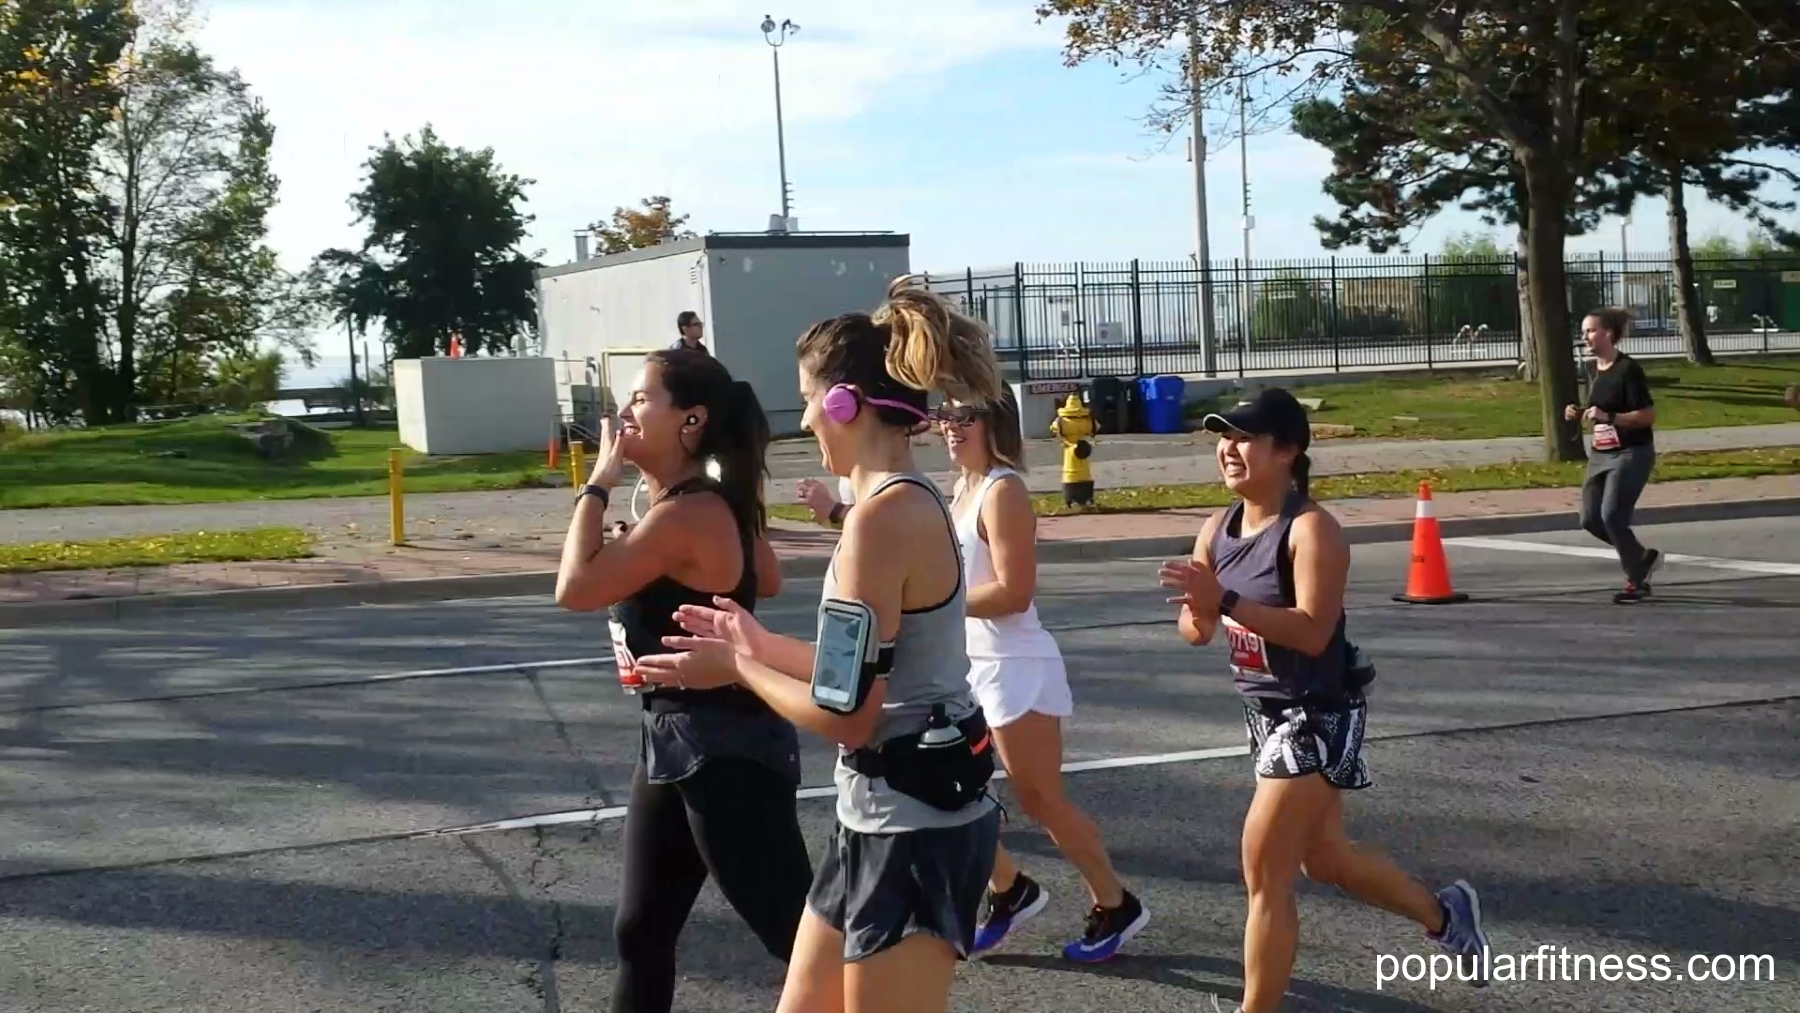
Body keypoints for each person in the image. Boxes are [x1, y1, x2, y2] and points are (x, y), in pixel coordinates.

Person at [634, 275, 1007, 1013]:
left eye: (809, 397)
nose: (805, 418)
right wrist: (759, 640)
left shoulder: (881, 521)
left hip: (912, 827)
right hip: (873, 815)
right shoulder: (896, 503)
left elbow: (849, 715)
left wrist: (736, 666)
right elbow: (862, 671)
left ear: (844, 402)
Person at [1158, 388, 1488, 1013]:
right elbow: (1196, 629)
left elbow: (1312, 631)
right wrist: (1200, 613)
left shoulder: (1312, 531)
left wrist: (1224, 601)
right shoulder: (1217, 527)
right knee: (1326, 860)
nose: (1228, 449)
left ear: (1287, 451)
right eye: (1222, 437)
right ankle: (1444, 914)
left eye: (1244, 437)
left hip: (1317, 711)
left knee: (1264, 871)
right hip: (1263, 712)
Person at [552, 348, 809, 1013]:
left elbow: (574, 587)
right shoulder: (691, 508)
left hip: (725, 749)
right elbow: (767, 577)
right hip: (676, 737)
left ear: (690, 421)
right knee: (642, 930)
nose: (626, 411)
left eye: (642, 399)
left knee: (805, 940)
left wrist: (599, 481)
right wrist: (655, 549)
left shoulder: (688, 512)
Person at [936, 387, 1150, 962]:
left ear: (993, 422)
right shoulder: (961, 489)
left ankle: (1115, 903)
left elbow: (1014, 591)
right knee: (950, 790)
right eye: (945, 414)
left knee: (1040, 800)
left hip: (1014, 664)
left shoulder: (1003, 491)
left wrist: (937, 601)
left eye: (965, 416)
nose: (951, 426)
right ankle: (1008, 887)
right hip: (971, 663)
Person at [1565, 308, 1662, 604]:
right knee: (1591, 518)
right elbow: (1597, 408)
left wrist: (1611, 417)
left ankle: (1637, 580)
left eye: (1590, 331)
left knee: (1612, 516)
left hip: (1631, 452)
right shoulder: (1593, 368)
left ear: (1607, 334)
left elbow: (1647, 416)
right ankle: (1642, 557)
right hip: (1601, 454)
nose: (1584, 337)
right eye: (1582, 332)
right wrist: (1577, 413)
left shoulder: (1628, 369)